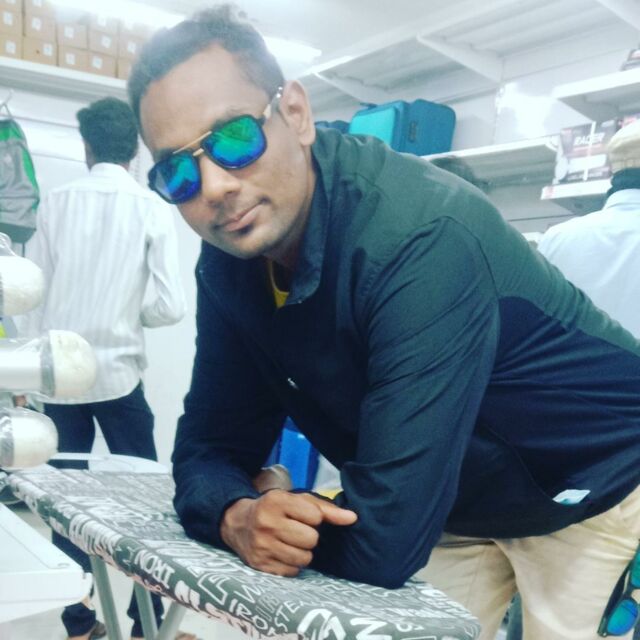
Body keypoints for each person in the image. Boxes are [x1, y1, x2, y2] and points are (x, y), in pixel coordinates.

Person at [128, 7, 640, 640]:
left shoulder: (420, 237)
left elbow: (386, 542)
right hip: (454, 505)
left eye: (234, 138)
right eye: (176, 172)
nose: (212, 187)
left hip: (592, 484)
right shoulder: (230, 262)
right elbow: (209, 446)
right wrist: (237, 515)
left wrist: (289, 520)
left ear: (296, 113)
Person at [20, 97, 188, 640]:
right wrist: (125, 310)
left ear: (86, 146)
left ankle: (78, 622)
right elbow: (169, 307)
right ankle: (144, 626)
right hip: (118, 378)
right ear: (134, 150)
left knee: (65, 506)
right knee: (146, 507)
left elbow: (31, 295)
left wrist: (30, 372)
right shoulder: (151, 207)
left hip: (57, 379)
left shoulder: (55, 204)